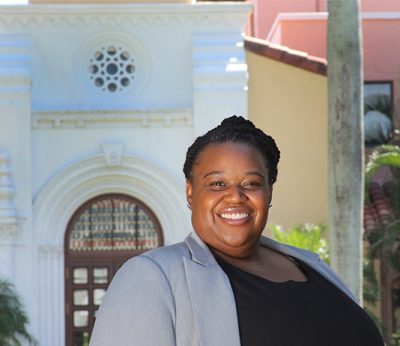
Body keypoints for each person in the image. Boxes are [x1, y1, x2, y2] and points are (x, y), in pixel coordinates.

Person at [90, 116, 384, 346]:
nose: (235, 196)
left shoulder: (313, 267)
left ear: (268, 193)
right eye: (217, 183)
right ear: (191, 193)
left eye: (252, 184)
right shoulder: (151, 277)